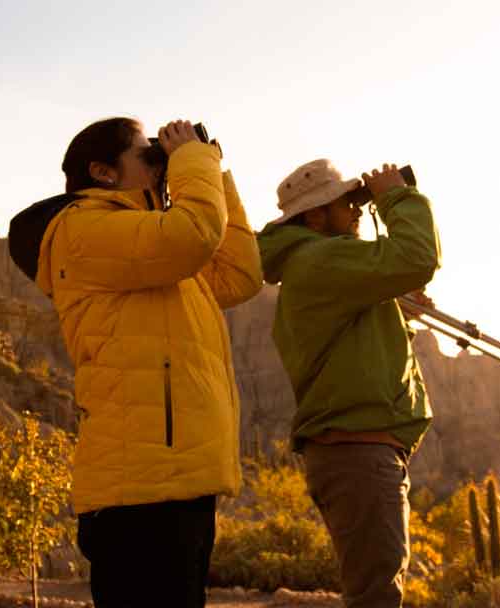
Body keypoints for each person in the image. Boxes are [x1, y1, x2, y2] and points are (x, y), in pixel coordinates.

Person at [25, 117, 262, 607]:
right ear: (103, 171)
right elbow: (193, 235)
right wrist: (193, 161)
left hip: (179, 483)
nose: (159, 163)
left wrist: (210, 170)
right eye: (145, 154)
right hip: (138, 495)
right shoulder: (83, 228)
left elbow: (240, 275)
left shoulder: (156, 251)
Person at [256, 159, 441, 607]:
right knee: (376, 596)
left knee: (374, 588)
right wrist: (396, 195)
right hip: (359, 452)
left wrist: (398, 315)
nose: (358, 210)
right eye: (346, 203)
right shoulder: (321, 258)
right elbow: (418, 257)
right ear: (315, 216)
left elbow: (354, 348)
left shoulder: (317, 264)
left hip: (357, 451)